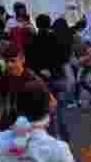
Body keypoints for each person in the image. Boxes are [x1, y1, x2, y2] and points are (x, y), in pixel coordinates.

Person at [27, 15, 72, 144]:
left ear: (37, 24)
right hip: (59, 78)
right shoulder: (56, 38)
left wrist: (42, 70)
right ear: (49, 24)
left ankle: (53, 140)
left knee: (49, 114)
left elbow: (30, 63)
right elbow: (64, 58)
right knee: (62, 111)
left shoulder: (33, 41)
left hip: (43, 82)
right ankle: (66, 140)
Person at [0, 43, 55, 133]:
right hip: (10, 125)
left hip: (29, 128)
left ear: (22, 59)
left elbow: (52, 102)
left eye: (13, 61)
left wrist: (38, 124)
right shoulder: (6, 76)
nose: (9, 65)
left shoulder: (32, 79)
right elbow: (0, 100)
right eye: (6, 61)